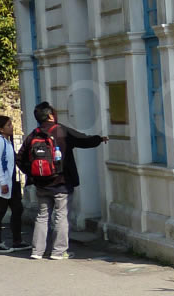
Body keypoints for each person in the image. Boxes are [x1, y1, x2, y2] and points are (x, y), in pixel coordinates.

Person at [17, 102, 107, 261]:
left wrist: (32, 174)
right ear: (50, 115)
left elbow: (20, 158)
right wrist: (99, 139)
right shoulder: (61, 131)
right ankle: (58, 252)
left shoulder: (33, 134)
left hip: (41, 184)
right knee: (61, 216)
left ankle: (37, 251)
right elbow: (83, 140)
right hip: (61, 183)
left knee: (42, 216)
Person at [0, 116, 27, 253]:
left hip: (10, 183)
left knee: (17, 209)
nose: (12, 127)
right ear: (1, 129)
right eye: (8, 125)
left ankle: (17, 241)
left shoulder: (6, 142)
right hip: (2, 184)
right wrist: (2, 182)